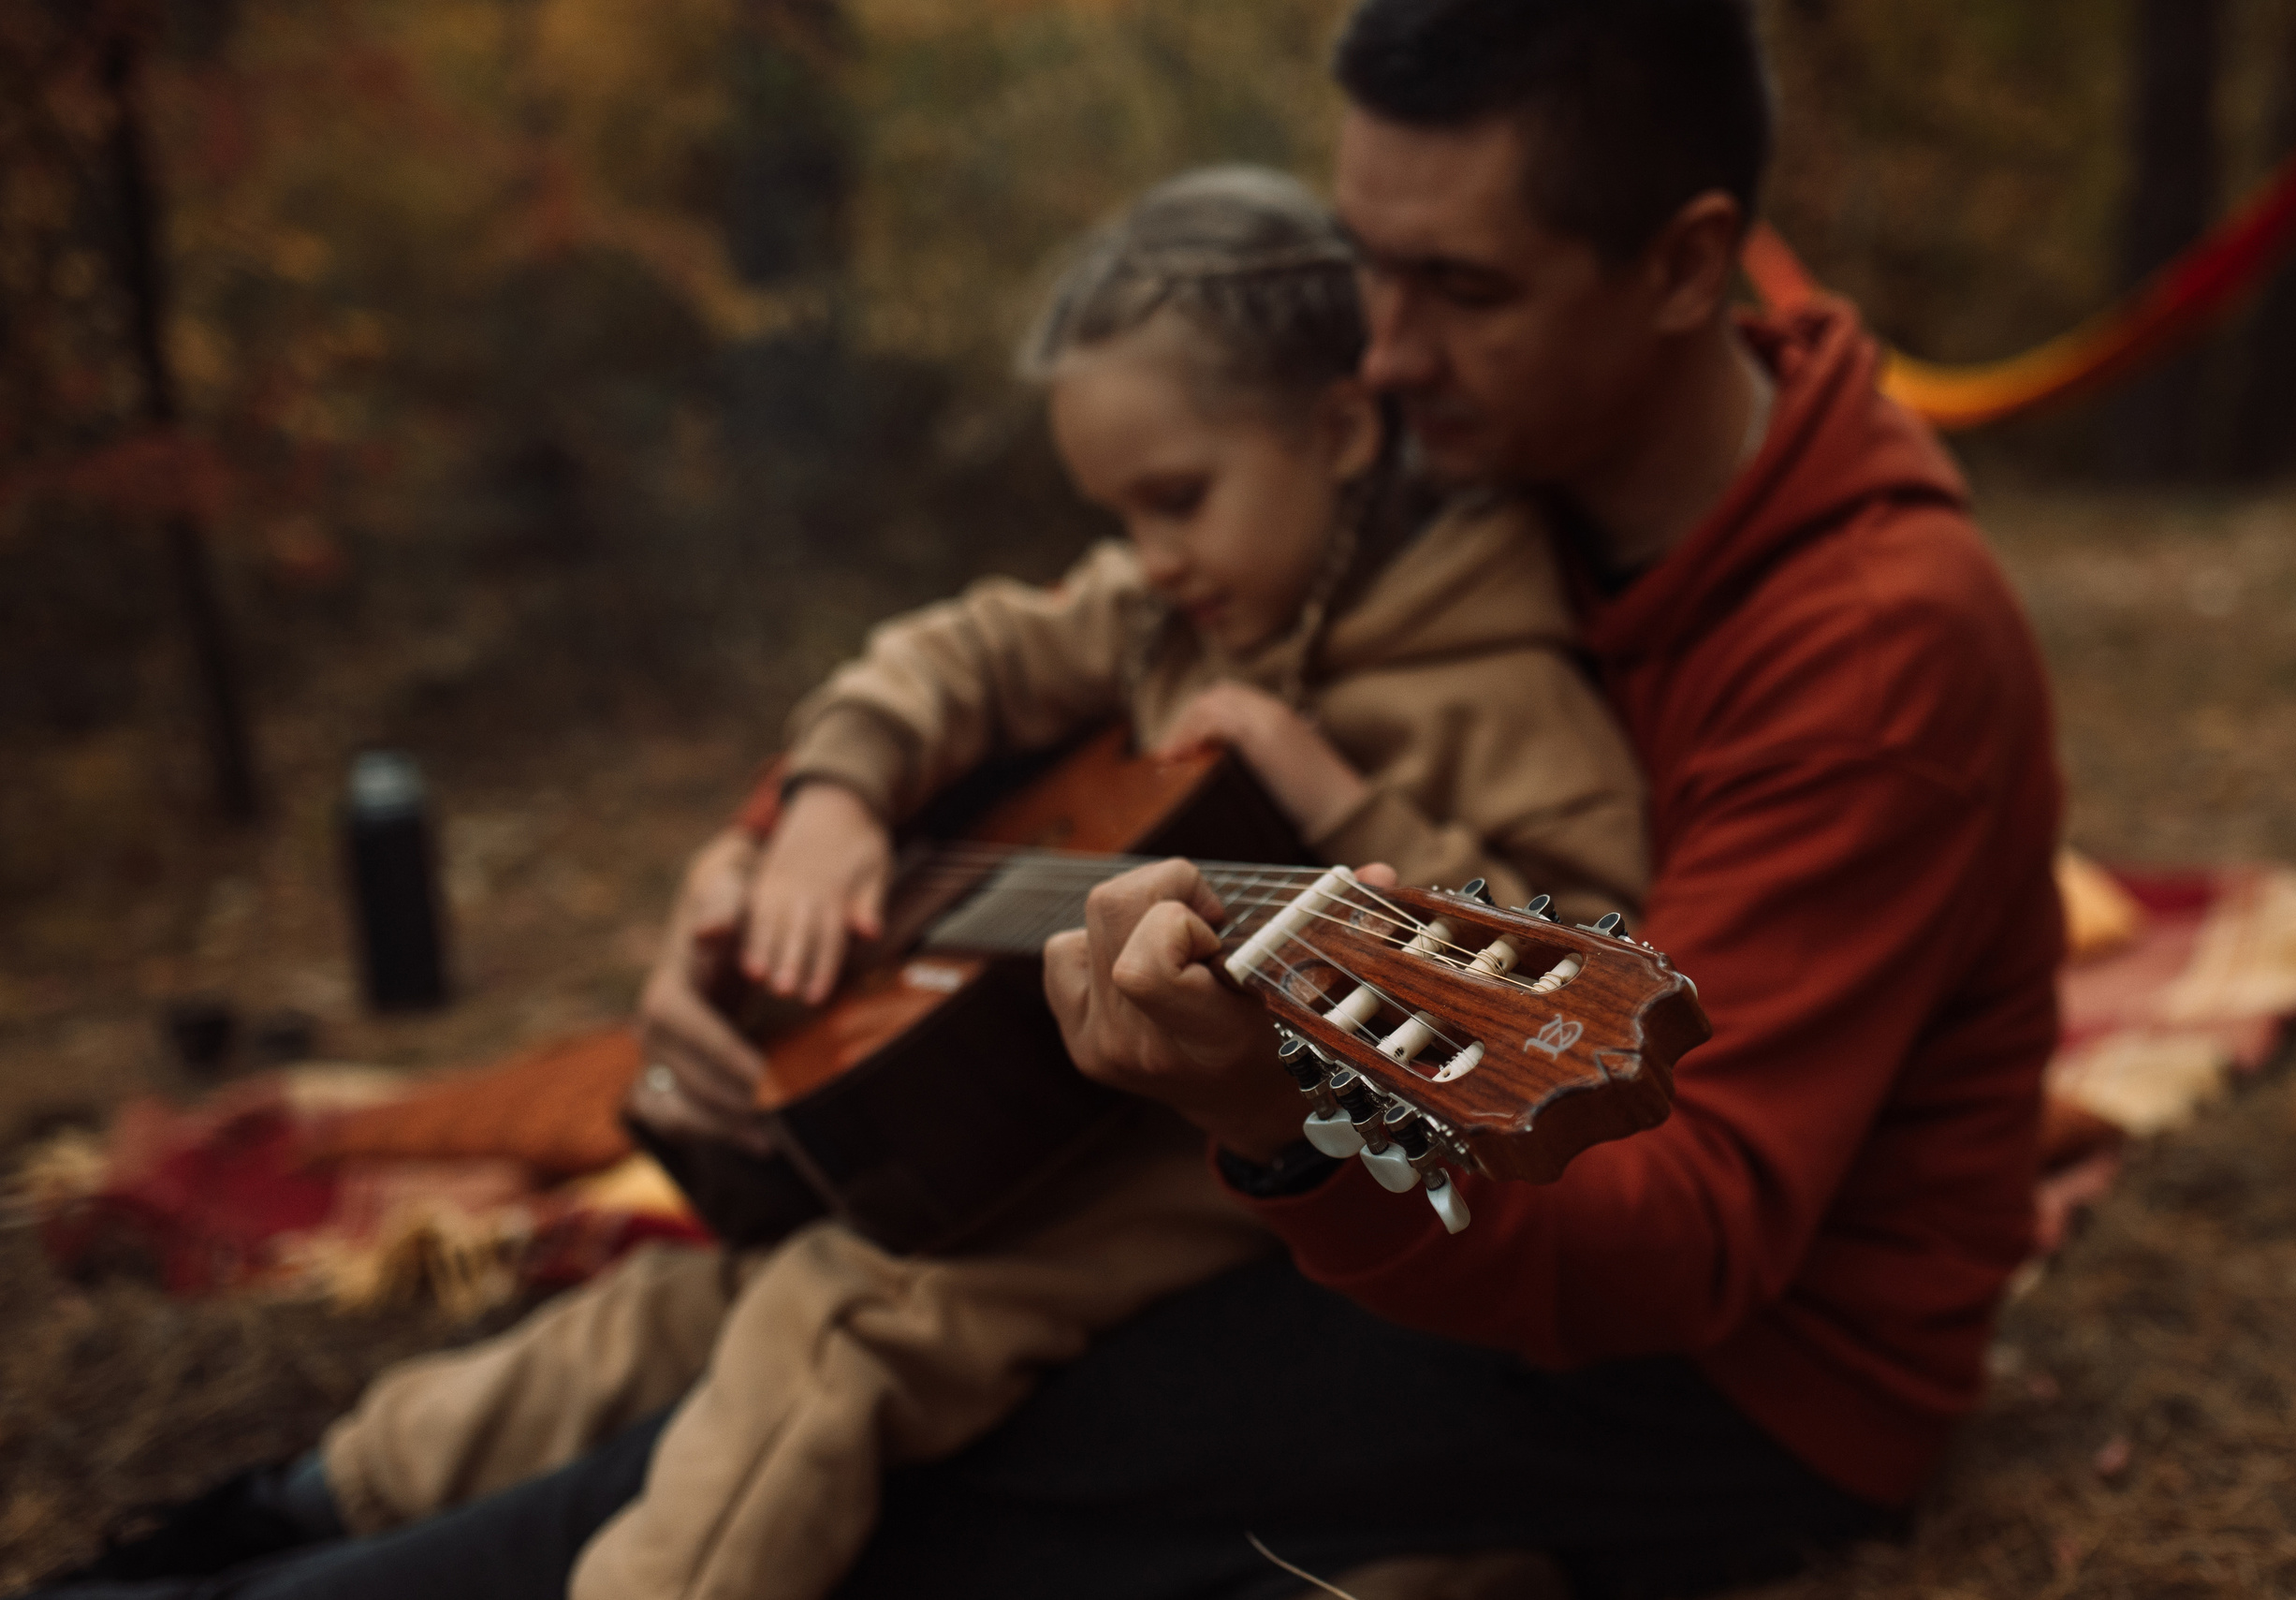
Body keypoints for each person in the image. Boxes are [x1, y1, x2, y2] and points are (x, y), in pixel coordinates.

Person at [28, 166, 1649, 1600]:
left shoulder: (1491, 675)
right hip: (1036, 1112)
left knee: (842, 1323)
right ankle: (293, 1499)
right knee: (675, 1308)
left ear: (1344, 430)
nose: (1147, 553)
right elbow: (958, 647)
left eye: (1177, 500)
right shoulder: (1176, 604)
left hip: (1178, 1184)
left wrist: (1327, 793)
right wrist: (828, 799)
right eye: (1118, 514)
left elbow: (1564, 959)